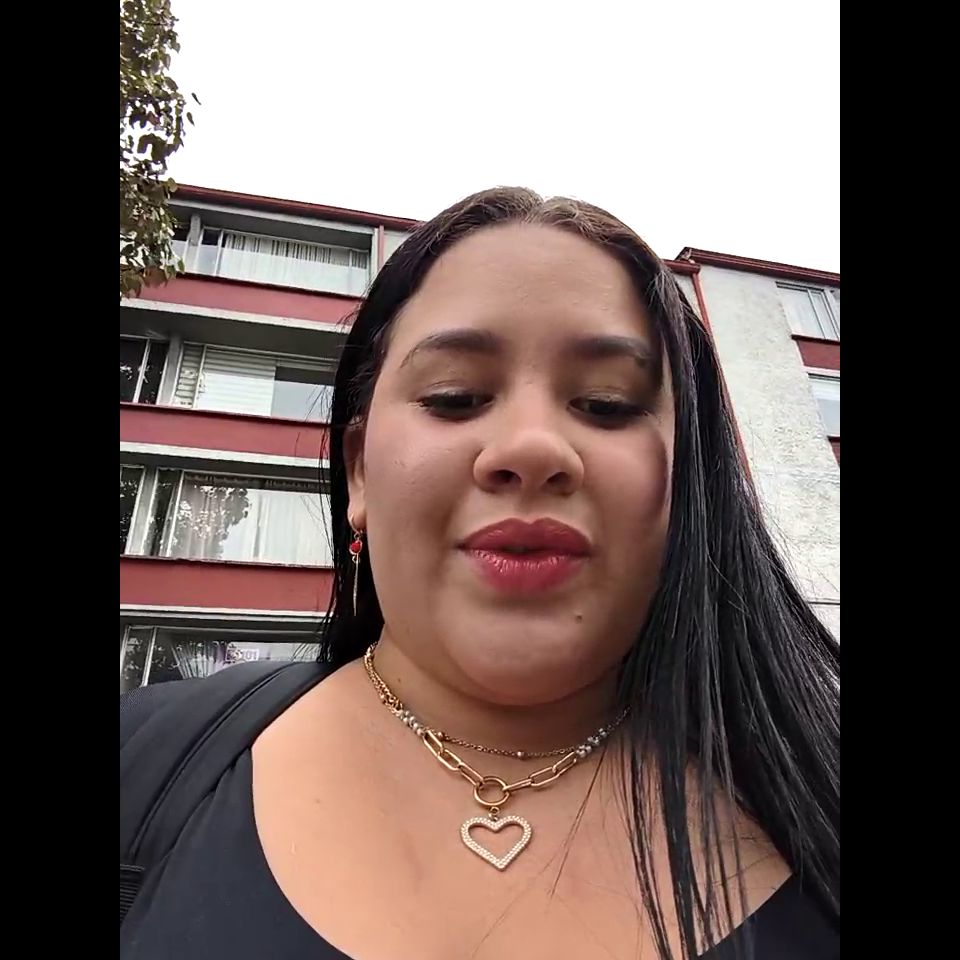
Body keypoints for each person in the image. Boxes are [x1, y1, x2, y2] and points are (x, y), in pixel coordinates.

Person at [120, 187, 840, 959]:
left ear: (690, 478)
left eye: (605, 404)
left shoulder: (815, 792)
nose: (530, 447)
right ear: (359, 472)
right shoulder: (144, 765)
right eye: (455, 397)